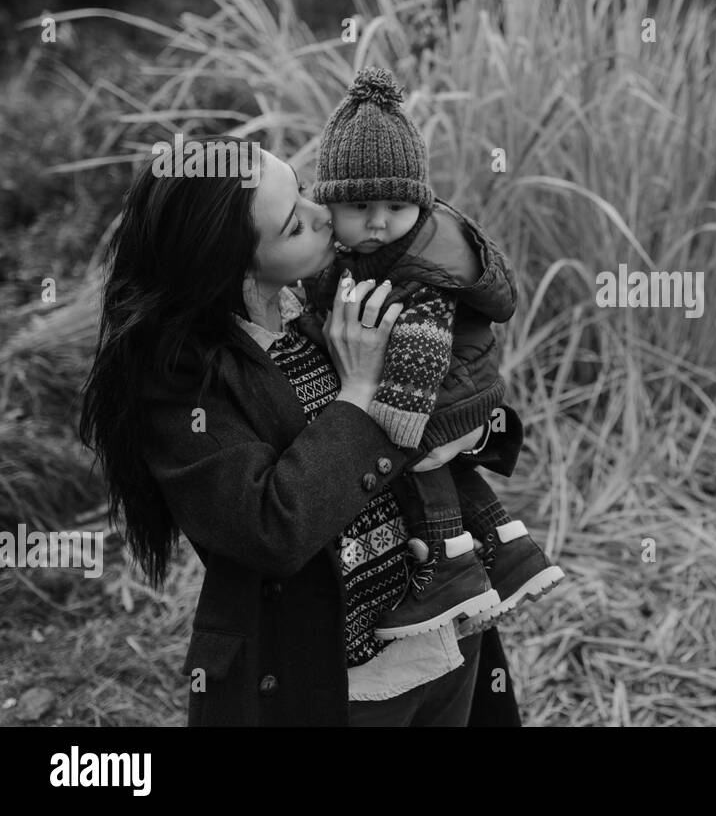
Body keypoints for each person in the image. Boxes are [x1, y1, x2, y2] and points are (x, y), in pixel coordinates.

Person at [78, 137, 521, 726]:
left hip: (447, 625)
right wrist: (359, 394)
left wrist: (471, 432)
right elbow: (271, 526)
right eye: (293, 225)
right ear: (232, 267)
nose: (323, 214)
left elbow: (455, 386)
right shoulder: (184, 385)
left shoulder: (329, 296)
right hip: (339, 678)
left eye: (303, 189)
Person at [307, 67, 563, 640]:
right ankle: (509, 547)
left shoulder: (421, 266)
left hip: (432, 393)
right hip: (461, 390)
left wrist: (395, 422)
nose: (378, 221)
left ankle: (447, 564)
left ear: (419, 206)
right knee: (441, 465)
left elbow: (424, 337)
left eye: (395, 207)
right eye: (361, 207)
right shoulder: (382, 251)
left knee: (410, 460)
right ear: (330, 206)